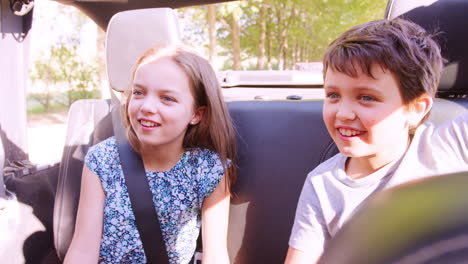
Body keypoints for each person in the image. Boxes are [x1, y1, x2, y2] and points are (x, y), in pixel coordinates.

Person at [285, 18, 468, 263]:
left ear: (416, 108)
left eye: (367, 97)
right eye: (333, 95)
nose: (343, 113)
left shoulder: (451, 145)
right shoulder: (323, 185)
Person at [64, 45, 236, 264]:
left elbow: (216, 255)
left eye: (167, 98)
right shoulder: (103, 160)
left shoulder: (209, 169)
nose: (146, 106)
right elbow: (82, 250)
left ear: (196, 114)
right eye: (138, 93)